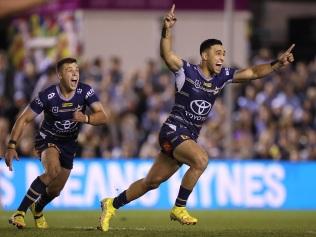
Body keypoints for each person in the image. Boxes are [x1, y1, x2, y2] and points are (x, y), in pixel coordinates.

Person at [97, 4, 295, 231]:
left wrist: (277, 64)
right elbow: (166, 54)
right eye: (218, 53)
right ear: (204, 55)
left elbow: (252, 73)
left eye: (224, 54)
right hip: (173, 130)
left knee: (151, 182)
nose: (222, 57)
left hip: (187, 136)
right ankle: (179, 207)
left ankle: (111, 204)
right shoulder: (186, 72)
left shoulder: (222, 77)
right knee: (201, 160)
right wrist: (166, 31)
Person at [5, 57, 109, 229]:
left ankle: (37, 209)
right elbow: (23, 119)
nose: (75, 72)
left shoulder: (85, 91)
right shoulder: (48, 95)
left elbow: (103, 115)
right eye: (69, 70)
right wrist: (11, 145)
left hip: (69, 144)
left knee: (55, 190)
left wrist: (86, 118)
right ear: (59, 75)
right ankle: (20, 212)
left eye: (76, 69)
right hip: (48, 139)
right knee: (52, 170)